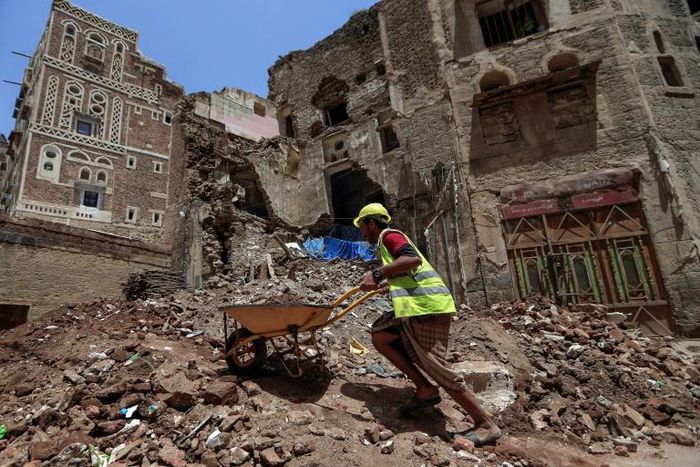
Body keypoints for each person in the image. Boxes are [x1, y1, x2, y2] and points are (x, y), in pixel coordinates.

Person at [355, 202, 501, 446]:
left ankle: (486, 423)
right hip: (415, 310)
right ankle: (424, 389)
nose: (361, 232)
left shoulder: (388, 235)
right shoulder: (387, 240)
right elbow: (408, 271)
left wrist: (379, 273)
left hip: (427, 309)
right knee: (380, 335)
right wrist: (386, 282)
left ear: (371, 223)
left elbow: (411, 260)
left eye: (362, 227)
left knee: (438, 367)